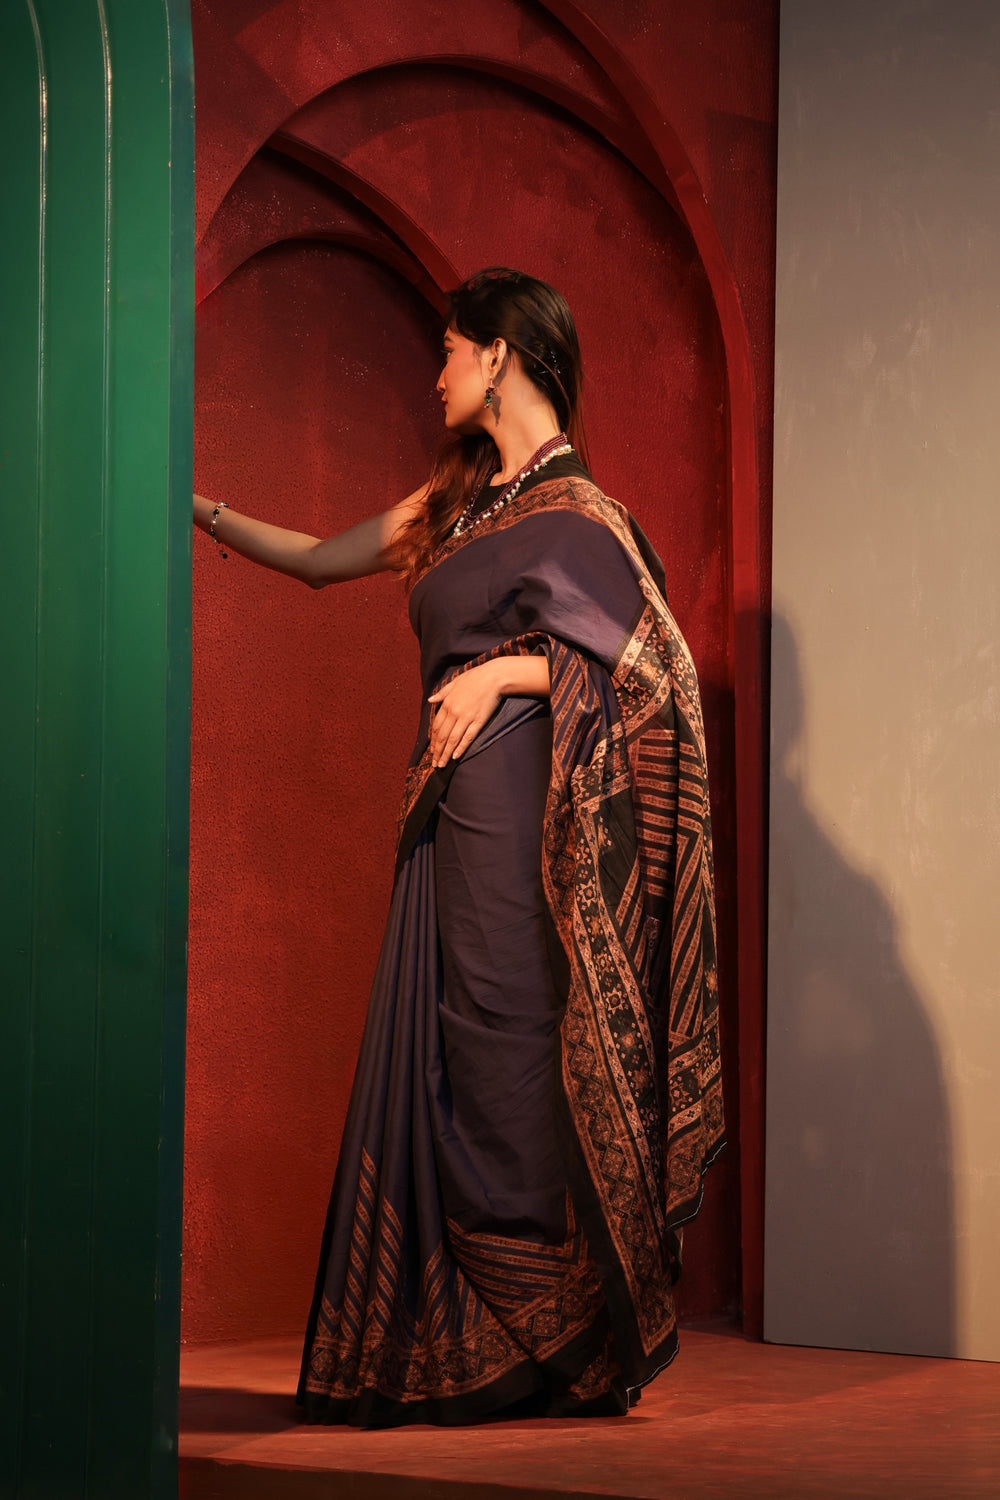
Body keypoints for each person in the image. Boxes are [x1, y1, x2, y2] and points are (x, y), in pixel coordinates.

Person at [193, 267, 724, 1428]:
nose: (432, 373)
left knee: (511, 1054)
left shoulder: (581, 518)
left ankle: (559, 1340)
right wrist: (200, 512)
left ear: (499, 356)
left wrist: (502, 671)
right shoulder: (457, 508)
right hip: (443, 823)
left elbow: (660, 677)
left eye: (447, 350)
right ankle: (446, 1344)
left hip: (532, 834)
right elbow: (320, 557)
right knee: (440, 1056)